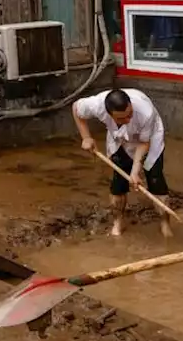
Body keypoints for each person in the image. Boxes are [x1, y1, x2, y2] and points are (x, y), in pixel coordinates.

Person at [73, 88, 173, 239]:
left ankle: (165, 223)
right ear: (109, 113)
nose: (127, 120)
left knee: (156, 181)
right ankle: (118, 222)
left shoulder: (146, 112)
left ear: (130, 105)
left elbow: (144, 143)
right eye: (121, 119)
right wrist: (86, 137)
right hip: (119, 139)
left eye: (129, 115)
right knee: (118, 183)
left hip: (149, 139)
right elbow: (76, 109)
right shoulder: (97, 104)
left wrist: (134, 171)